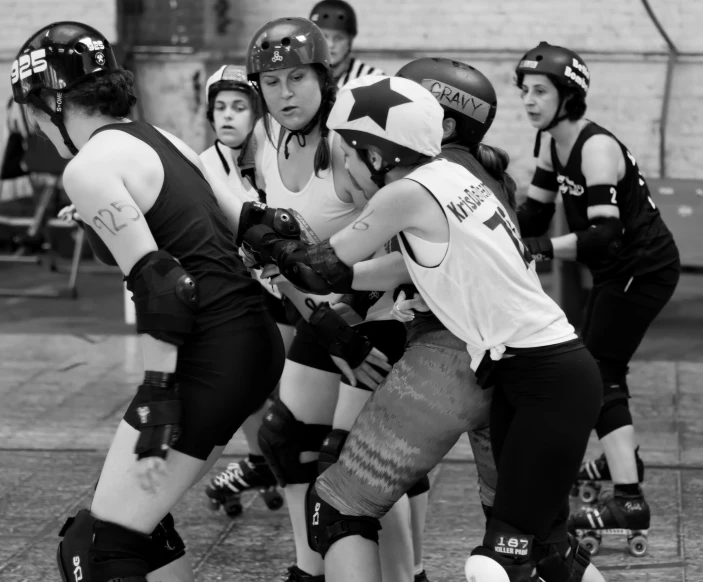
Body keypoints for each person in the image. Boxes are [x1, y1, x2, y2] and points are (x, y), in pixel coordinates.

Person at [241, 74, 607, 582]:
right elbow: (389, 268)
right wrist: (291, 258)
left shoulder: (405, 194)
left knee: (493, 562)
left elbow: (319, 268)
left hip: (540, 379)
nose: (343, 163)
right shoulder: (452, 176)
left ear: (373, 153)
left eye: (347, 150)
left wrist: (265, 239)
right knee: (548, 551)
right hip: (530, 372)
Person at [11, 21, 285, 582]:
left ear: (54, 101)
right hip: (249, 341)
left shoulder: (87, 166)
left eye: (35, 115)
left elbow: (165, 286)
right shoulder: (158, 137)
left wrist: (158, 393)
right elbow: (251, 226)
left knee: (98, 547)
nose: (36, 130)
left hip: (206, 355)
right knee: (140, 527)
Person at [244, 17, 414, 582]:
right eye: (271, 83)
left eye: (296, 78)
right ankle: (307, 570)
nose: (284, 94)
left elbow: (416, 253)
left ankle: (406, 575)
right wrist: (318, 310)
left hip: (386, 312)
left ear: (323, 76)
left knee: (356, 464)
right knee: (287, 442)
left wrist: (358, 314)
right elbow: (285, 258)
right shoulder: (266, 138)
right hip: (324, 313)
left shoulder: (350, 148)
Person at [514, 41, 680, 554]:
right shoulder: (550, 142)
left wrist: (539, 249)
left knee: (600, 370)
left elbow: (604, 234)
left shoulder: (595, 147)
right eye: (524, 90)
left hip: (641, 268)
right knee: (601, 366)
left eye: (540, 91)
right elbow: (536, 215)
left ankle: (628, 498)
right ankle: (618, 453)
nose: (529, 100)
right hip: (615, 271)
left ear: (569, 95)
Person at [198, 63, 294, 518]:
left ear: (257, 112)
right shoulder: (203, 164)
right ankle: (262, 463)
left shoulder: (275, 156)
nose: (228, 116)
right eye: (220, 107)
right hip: (246, 291)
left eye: (239, 106)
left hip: (293, 288)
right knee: (258, 388)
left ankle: (265, 463)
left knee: (282, 393)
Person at [309, 0, 384, 88]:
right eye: (324, 36)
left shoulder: (372, 78)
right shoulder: (301, 75)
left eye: (339, 38)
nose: (330, 44)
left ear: (350, 40)